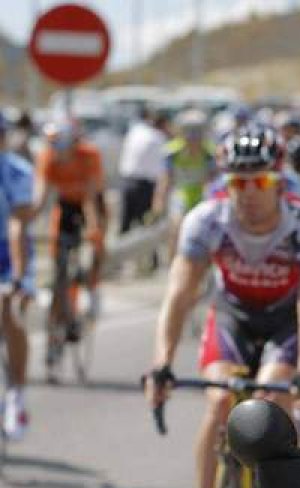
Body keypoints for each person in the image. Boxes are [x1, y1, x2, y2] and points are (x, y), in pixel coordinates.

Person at [142, 124, 300, 488]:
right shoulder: (207, 220)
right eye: (237, 182)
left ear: (279, 179)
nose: (248, 193)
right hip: (233, 317)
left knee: (268, 406)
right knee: (219, 402)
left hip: (284, 321)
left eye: (260, 181)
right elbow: (180, 293)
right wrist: (162, 363)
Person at [32, 118, 107, 378]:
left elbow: (90, 198)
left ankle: (92, 290)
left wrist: (92, 231)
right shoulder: (47, 157)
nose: (58, 152)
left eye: (61, 146)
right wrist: (27, 222)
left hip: (90, 207)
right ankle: (59, 314)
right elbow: (41, 195)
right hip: (64, 208)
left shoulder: (89, 155)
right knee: (58, 273)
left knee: (92, 251)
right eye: (53, 146)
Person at [0, 116, 36, 440]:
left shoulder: (17, 171)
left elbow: (17, 227)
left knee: (8, 313)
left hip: (10, 254)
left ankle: (17, 394)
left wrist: (19, 277)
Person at [154, 109, 218, 261]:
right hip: (180, 193)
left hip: (201, 194)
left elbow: (213, 179)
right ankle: (173, 263)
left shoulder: (209, 153)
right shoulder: (172, 152)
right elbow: (165, 178)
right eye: (189, 131)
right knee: (176, 227)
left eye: (197, 132)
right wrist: (159, 201)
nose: (193, 136)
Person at [118, 106, 168, 235]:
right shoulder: (157, 137)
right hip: (144, 186)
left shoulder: (134, 132)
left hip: (127, 182)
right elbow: (163, 169)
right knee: (147, 226)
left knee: (125, 225)